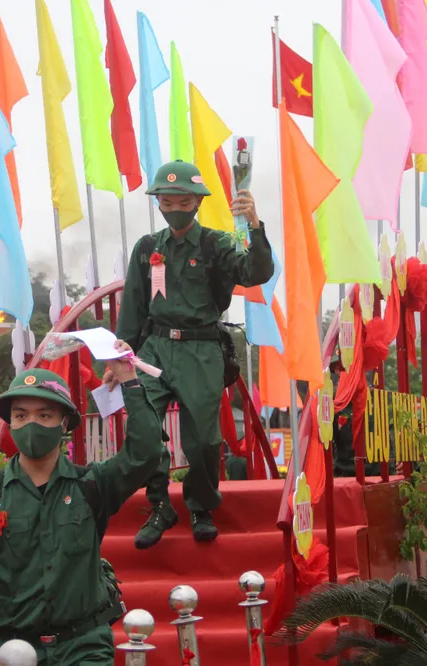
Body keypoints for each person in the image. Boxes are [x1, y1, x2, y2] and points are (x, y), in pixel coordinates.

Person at [0, 345, 164, 666]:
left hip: (84, 647)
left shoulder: (93, 486)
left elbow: (144, 454)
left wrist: (129, 381)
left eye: (44, 415)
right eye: (21, 415)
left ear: (64, 424)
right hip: (14, 651)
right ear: (10, 423)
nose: (31, 424)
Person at [112, 160, 274, 548]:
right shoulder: (147, 248)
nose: (175, 208)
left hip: (201, 348)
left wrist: (254, 226)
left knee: (202, 441)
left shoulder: (217, 244)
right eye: (167, 201)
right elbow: (133, 305)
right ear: (158, 202)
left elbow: (255, 272)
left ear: (197, 202)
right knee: (143, 426)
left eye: (183, 201)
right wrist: (120, 357)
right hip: (155, 349)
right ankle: (159, 505)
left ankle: (201, 506)